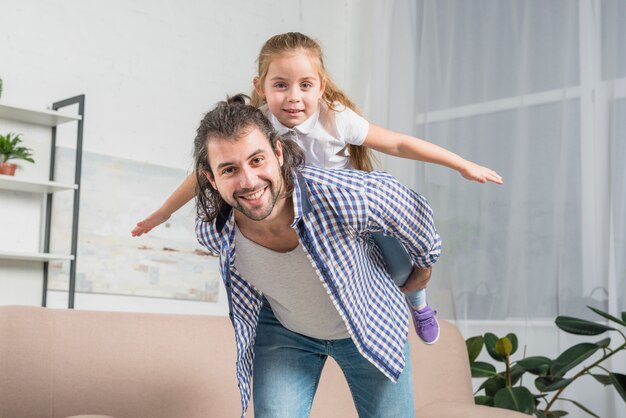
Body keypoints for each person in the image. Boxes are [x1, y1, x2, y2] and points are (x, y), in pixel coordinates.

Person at [132, 32, 502, 344]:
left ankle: (419, 304)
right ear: (259, 88)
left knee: (402, 268)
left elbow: (397, 144)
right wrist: (162, 213)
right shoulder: (258, 125)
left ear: (321, 86)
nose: (293, 97)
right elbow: (206, 173)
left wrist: (461, 163)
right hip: (300, 217)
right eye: (280, 85)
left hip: (346, 211)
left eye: (305, 85)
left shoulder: (334, 117)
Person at [194, 94, 440, 417]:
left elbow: (412, 212)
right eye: (229, 169)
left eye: (257, 160)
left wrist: (422, 271)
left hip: (366, 322)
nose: (249, 181)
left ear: (278, 153)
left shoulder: (342, 195)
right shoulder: (215, 232)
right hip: (286, 333)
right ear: (212, 179)